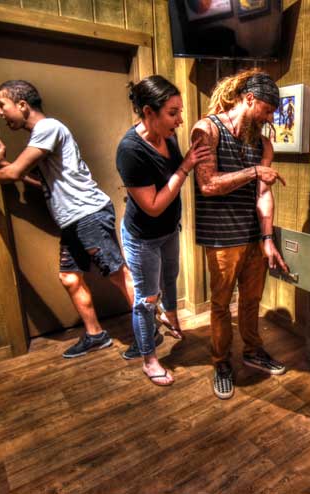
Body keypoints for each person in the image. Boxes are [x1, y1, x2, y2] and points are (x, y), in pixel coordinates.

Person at [0, 80, 141, 359]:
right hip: (73, 220)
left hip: (87, 213)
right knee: (69, 277)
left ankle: (148, 333)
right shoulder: (43, 135)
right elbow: (43, 184)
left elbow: (16, 174)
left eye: (2, 105)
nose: (1, 113)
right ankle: (96, 335)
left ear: (22, 105)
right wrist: (5, 166)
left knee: (118, 274)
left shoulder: (47, 128)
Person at [190, 69, 289, 400]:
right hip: (221, 237)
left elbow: (263, 193)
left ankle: (252, 350)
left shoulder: (263, 143)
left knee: (251, 299)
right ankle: (220, 362)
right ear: (249, 99)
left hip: (252, 237)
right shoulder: (207, 129)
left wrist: (268, 238)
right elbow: (207, 184)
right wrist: (254, 171)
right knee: (221, 304)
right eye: (267, 110)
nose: (269, 118)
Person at [116, 75, 209, 385]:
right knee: (146, 299)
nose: (180, 120)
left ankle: (172, 319)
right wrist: (185, 167)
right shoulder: (130, 150)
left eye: (180, 112)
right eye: (173, 113)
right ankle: (150, 360)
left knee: (171, 278)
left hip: (169, 229)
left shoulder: (167, 136)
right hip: (142, 238)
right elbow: (154, 205)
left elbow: (172, 181)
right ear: (148, 112)